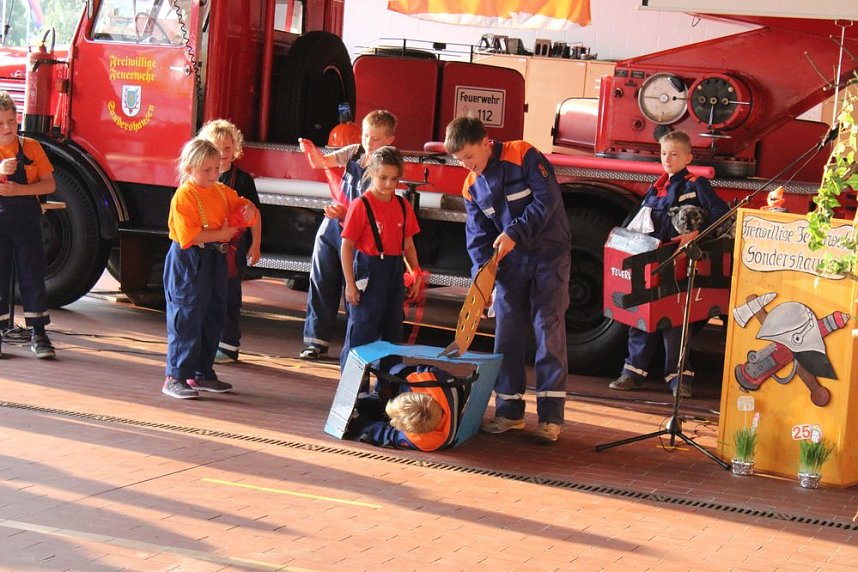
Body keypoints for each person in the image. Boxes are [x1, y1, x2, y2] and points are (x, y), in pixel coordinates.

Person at [444, 116, 571, 444]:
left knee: (548, 329)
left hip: (548, 255)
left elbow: (548, 202)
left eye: (470, 157)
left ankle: (550, 419)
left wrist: (516, 232)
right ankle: (509, 412)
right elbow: (477, 241)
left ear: (487, 142)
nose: (467, 166)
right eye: (460, 161)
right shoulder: (471, 186)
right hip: (510, 265)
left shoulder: (524, 155)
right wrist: (481, 283)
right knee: (507, 334)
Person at [608, 130, 729, 398]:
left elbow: (722, 213)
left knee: (674, 321)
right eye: (664, 153)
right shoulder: (657, 186)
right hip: (649, 260)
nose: (668, 158)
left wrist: (697, 234)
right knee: (641, 315)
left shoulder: (697, 184)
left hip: (678, 261)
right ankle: (632, 373)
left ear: (688, 157)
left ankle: (679, 379)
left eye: (674, 154)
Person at [162, 138, 258, 399]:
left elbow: (240, 204)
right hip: (190, 260)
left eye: (216, 169)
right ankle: (176, 375)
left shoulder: (219, 191)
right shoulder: (185, 195)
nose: (214, 174)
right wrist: (222, 233)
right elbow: (189, 236)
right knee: (187, 315)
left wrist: (246, 209)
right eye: (207, 170)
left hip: (215, 260)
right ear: (190, 168)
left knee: (213, 314)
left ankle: (202, 372)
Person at [299, 110, 397, 360]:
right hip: (336, 222)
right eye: (366, 136)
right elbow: (321, 163)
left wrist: (348, 212)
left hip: (361, 231)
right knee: (321, 277)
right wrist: (310, 149)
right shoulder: (354, 151)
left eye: (375, 139)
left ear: (390, 140)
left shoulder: (388, 164)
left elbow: (380, 204)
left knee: (355, 290)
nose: (368, 143)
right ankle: (315, 340)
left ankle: (357, 347)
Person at [339, 146, 422, 369]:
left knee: (393, 331)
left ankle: (388, 386)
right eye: (383, 178)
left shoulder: (403, 206)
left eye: (394, 179)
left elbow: (409, 244)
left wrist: (416, 272)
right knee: (362, 330)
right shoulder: (361, 205)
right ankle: (354, 388)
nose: (388, 184)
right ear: (371, 173)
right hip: (369, 271)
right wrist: (349, 284)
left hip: (394, 273)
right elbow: (346, 246)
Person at [198, 119, 262, 364]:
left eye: (227, 148)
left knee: (229, 294)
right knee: (209, 294)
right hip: (208, 247)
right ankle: (210, 340)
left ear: (235, 149)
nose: (223, 154)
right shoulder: (200, 181)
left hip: (233, 249)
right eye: (217, 148)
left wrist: (256, 244)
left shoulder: (242, 180)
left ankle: (229, 345)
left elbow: (255, 214)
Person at [0, 90, 57, 360]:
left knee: (32, 275)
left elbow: (50, 184)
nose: (7, 128)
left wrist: (17, 190)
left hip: (27, 222)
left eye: (11, 121)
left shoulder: (32, 147)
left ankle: (39, 333)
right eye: (0, 123)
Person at [347, 360, 470, 451]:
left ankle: (366, 406)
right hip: (408, 384)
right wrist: (391, 384)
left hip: (410, 402)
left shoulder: (426, 440)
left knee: (368, 408)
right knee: (392, 367)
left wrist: (356, 424)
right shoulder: (432, 380)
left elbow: (386, 434)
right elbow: (411, 370)